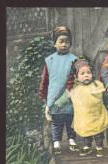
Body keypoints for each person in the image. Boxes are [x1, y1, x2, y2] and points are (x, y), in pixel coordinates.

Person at [54, 56, 108, 157]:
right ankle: (87, 146)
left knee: (98, 132)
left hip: (97, 115)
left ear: (92, 74)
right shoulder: (75, 89)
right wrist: (57, 103)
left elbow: (105, 95)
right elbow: (66, 97)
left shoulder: (97, 85)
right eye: (82, 73)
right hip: (84, 117)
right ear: (77, 77)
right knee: (86, 132)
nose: (86, 76)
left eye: (88, 73)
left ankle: (99, 147)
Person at [39, 26, 78, 155]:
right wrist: (44, 95)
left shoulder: (74, 60)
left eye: (67, 42)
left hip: (70, 95)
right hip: (54, 95)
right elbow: (45, 80)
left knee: (70, 119)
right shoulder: (50, 60)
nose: (64, 44)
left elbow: (78, 78)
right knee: (56, 121)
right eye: (60, 41)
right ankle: (56, 142)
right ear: (54, 43)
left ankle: (72, 140)